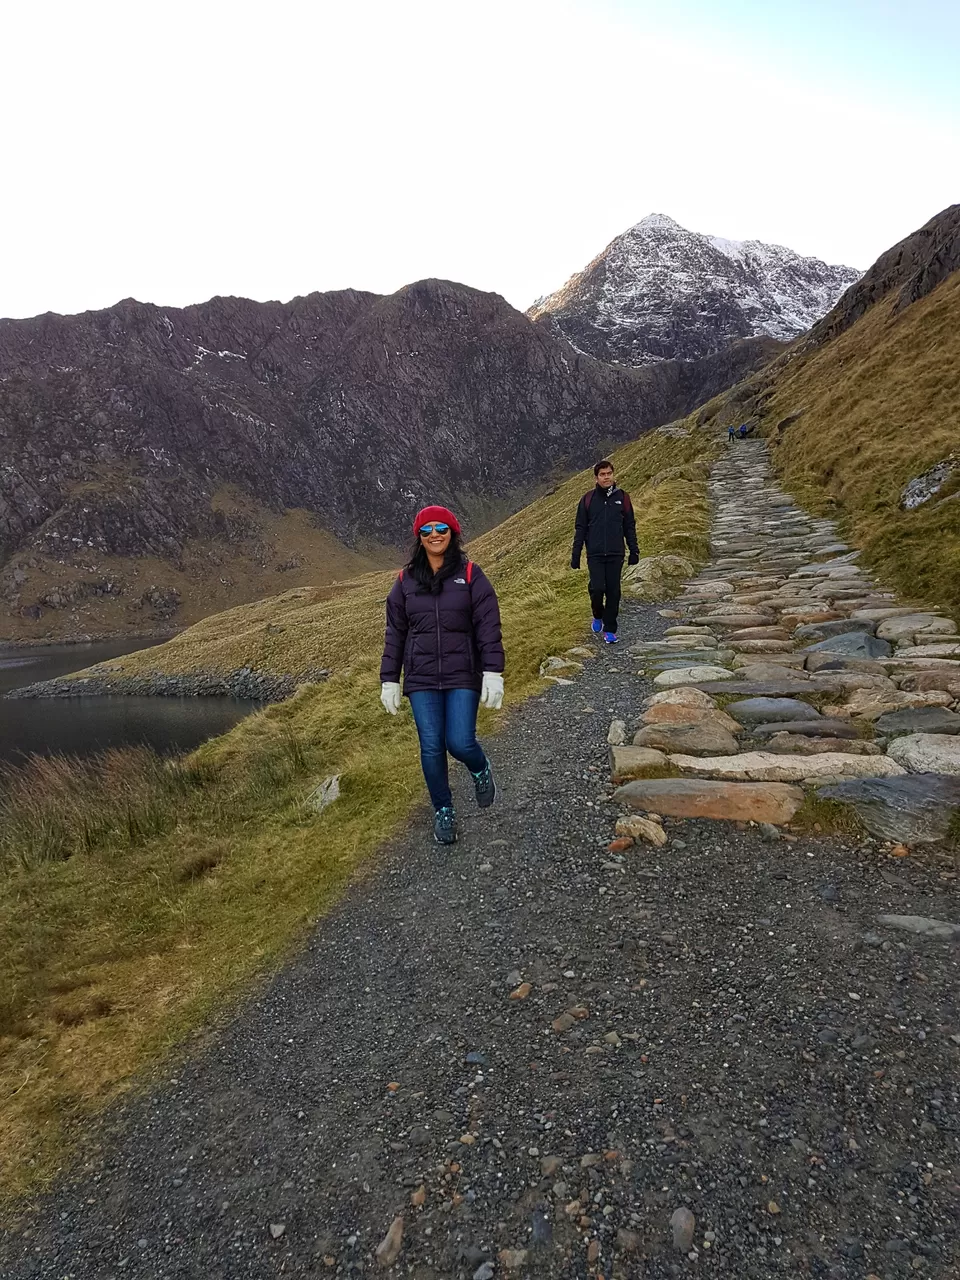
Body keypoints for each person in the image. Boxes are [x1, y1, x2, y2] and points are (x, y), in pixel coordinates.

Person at [379, 505, 505, 846]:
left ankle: (480, 768)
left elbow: (488, 626)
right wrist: (389, 678)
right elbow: (396, 633)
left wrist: (493, 671)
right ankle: (443, 810)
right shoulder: (404, 581)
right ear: (418, 537)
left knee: (460, 742)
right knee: (431, 747)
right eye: (426, 530)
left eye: (441, 528)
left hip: (462, 673)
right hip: (421, 679)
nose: (434, 534)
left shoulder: (471, 574)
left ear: (453, 533)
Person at [570, 460, 639, 644]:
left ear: (613, 474)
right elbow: (581, 528)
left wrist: (634, 550)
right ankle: (597, 614)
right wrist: (575, 555)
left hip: (617, 553)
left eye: (609, 473)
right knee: (598, 588)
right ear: (596, 478)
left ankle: (610, 630)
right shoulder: (587, 499)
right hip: (595, 554)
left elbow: (629, 526)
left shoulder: (622, 498)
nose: (606, 477)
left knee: (614, 592)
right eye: (602, 474)